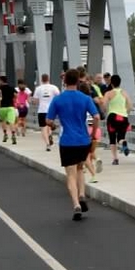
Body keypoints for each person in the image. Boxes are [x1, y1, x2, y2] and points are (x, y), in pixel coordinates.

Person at [46, 69, 100, 220]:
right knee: (80, 168)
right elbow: (96, 116)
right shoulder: (85, 98)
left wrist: (53, 126)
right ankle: (82, 195)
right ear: (78, 81)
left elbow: (48, 120)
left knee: (70, 174)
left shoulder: (58, 99)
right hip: (83, 140)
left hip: (67, 141)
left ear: (64, 81)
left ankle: (76, 204)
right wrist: (93, 134)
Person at [102, 74, 133, 165]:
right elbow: (130, 106)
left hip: (112, 117)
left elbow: (104, 105)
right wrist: (125, 112)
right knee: (121, 138)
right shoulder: (125, 93)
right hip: (123, 117)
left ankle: (115, 159)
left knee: (112, 138)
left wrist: (105, 111)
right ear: (120, 83)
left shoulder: (108, 93)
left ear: (111, 83)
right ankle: (123, 142)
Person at [32, 73, 61, 151]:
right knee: (49, 125)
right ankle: (50, 135)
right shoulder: (54, 87)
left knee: (43, 128)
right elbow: (59, 97)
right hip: (51, 110)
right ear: (48, 79)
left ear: (41, 79)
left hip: (42, 110)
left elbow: (35, 101)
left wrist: (39, 101)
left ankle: (48, 144)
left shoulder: (38, 88)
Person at [0, 75, 18, 144]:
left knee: (3, 121)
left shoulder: (0, 88)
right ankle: (13, 135)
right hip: (10, 107)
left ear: (1, 81)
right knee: (11, 122)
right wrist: (12, 99)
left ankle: (5, 134)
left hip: (2, 107)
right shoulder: (11, 87)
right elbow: (16, 95)